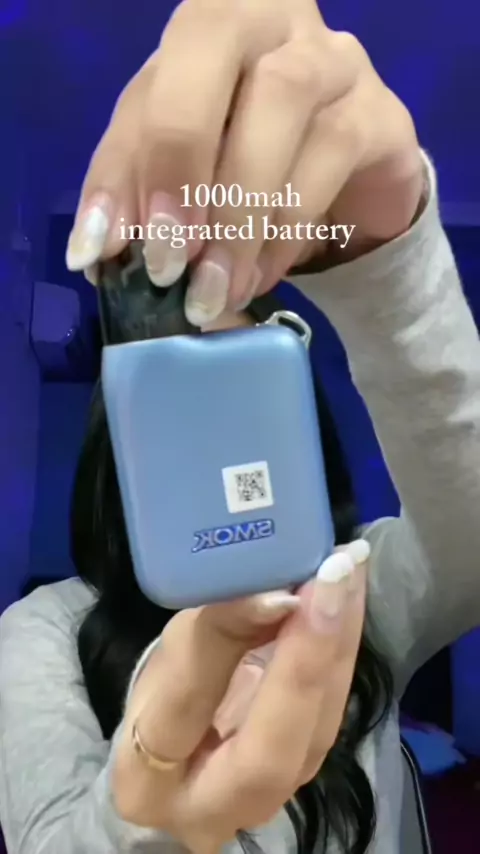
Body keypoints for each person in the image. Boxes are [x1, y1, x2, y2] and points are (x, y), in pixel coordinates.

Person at [1, 1, 480, 853]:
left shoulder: (353, 595)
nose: (217, 432)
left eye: (241, 376)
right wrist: (158, 783)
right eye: (181, 393)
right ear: (120, 438)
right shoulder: (44, 633)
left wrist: (387, 263)